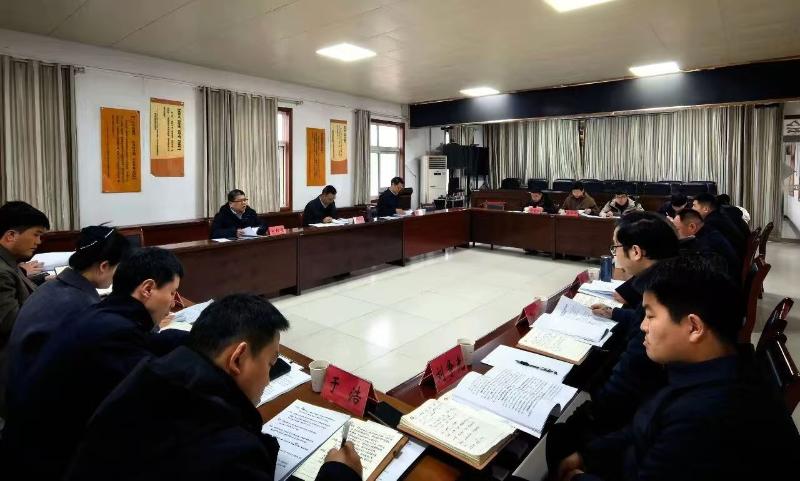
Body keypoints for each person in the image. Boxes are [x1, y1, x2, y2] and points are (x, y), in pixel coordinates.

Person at [65, 294, 362, 481]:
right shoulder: (230, 451)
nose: (268, 378)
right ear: (238, 358)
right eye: (270, 363)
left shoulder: (150, 374)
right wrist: (340, 473)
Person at [555, 255, 800, 481]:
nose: (643, 326)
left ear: (694, 327)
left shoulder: (705, 416)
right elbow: (646, 426)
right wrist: (589, 456)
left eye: (650, 316)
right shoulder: (720, 366)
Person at [0, 247, 186, 481]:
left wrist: (199, 338)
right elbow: (153, 400)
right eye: (173, 292)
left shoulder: (103, 314)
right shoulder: (112, 335)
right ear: (147, 289)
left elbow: (146, 342)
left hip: (32, 446)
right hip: (46, 464)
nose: (174, 302)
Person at [547, 213, 678, 472]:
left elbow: (626, 381)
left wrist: (591, 411)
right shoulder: (669, 278)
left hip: (629, 419)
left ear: (636, 252)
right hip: (644, 408)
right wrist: (615, 313)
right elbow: (638, 320)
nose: (614, 254)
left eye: (615, 247)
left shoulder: (658, 298)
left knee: (560, 436)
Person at [6, 226, 131, 397]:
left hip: (19, 387)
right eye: (118, 267)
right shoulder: (81, 305)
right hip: (39, 399)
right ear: (104, 266)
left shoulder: (52, 286)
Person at [0, 201, 49, 417]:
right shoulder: (3, 271)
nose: (39, 241)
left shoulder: (10, 262)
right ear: (11, 236)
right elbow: (10, 323)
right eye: (36, 234)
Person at [673, 209, 741, 281]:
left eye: (677, 230)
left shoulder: (707, 243)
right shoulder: (709, 232)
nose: (674, 234)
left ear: (692, 227)